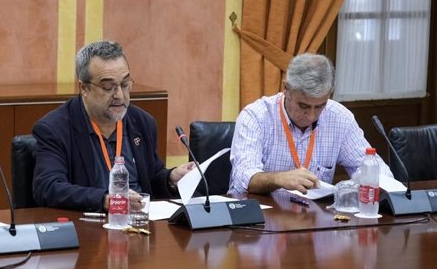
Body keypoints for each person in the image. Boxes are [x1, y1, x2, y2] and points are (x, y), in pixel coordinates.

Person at [32, 40, 193, 211]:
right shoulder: (55, 129)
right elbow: (48, 187)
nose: (120, 96)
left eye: (125, 84)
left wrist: (171, 178)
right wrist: (105, 200)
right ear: (84, 89)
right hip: (90, 229)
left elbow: (152, 178)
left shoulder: (142, 122)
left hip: (139, 226)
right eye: (108, 87)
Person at [229, 53, 392, 195]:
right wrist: (279, 179)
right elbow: (243, 177)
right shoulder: (256, 116)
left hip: (314, 218)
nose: (311, 116)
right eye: (304, 106)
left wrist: (368, 182)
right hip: (260, 219)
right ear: (286, 89)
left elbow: (372, 167)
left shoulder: (340, 117)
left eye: (320, 106)